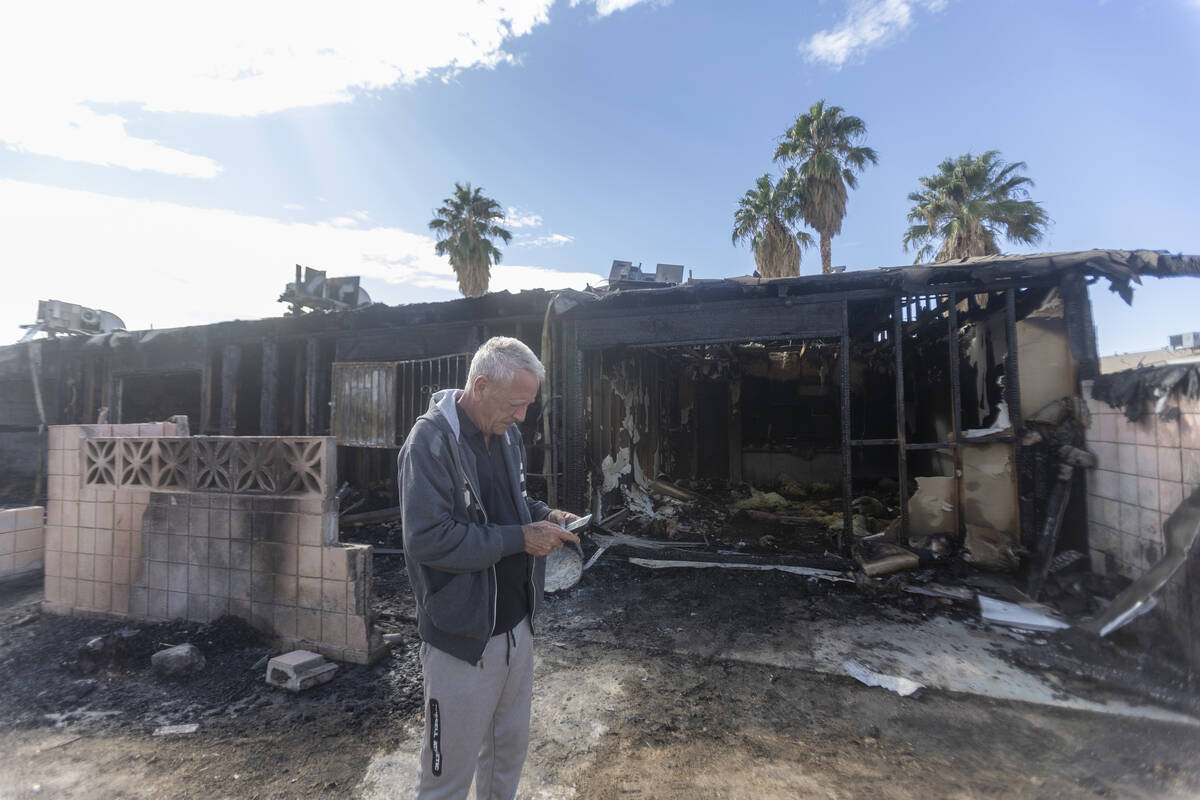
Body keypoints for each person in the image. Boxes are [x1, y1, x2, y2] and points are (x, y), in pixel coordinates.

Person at [398, 336, 580, 800]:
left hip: (517, 629)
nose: (522, 417)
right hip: (461, 641)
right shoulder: (429, 443)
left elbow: (512, 504)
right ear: (480, 387)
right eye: (516, 405)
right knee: (446, 778)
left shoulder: (505, 433)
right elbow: (428, 539)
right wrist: (520, 537)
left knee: (505, 762)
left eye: (527, 405)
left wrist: (545, 514)